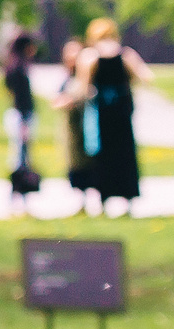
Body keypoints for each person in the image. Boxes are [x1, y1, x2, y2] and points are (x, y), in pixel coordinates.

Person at [73, 17, 152, 217]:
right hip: (123, 114)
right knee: (125, 155)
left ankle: (103, 200)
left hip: (102, 115)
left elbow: (83, 88)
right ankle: (128, 201)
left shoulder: (90, 57)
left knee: (103, 158)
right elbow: (146, 77)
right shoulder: (125, 55)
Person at [54, 38, 95, 213]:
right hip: (72, 131)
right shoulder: (66, 79)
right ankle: (81, 201)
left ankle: (95, 199)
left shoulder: (88, 76)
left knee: (91, 164)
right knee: (76, 165)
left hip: (89, 129)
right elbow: (56, 100)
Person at [2, 34, 41, 215]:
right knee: (21, 159)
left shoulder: (15, 66)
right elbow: (20, 98)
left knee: (21, 157)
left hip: (21, 116)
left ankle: (19, 199)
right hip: (22, 117)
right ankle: (19, 198)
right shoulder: (18, 68)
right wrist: (24, 121)